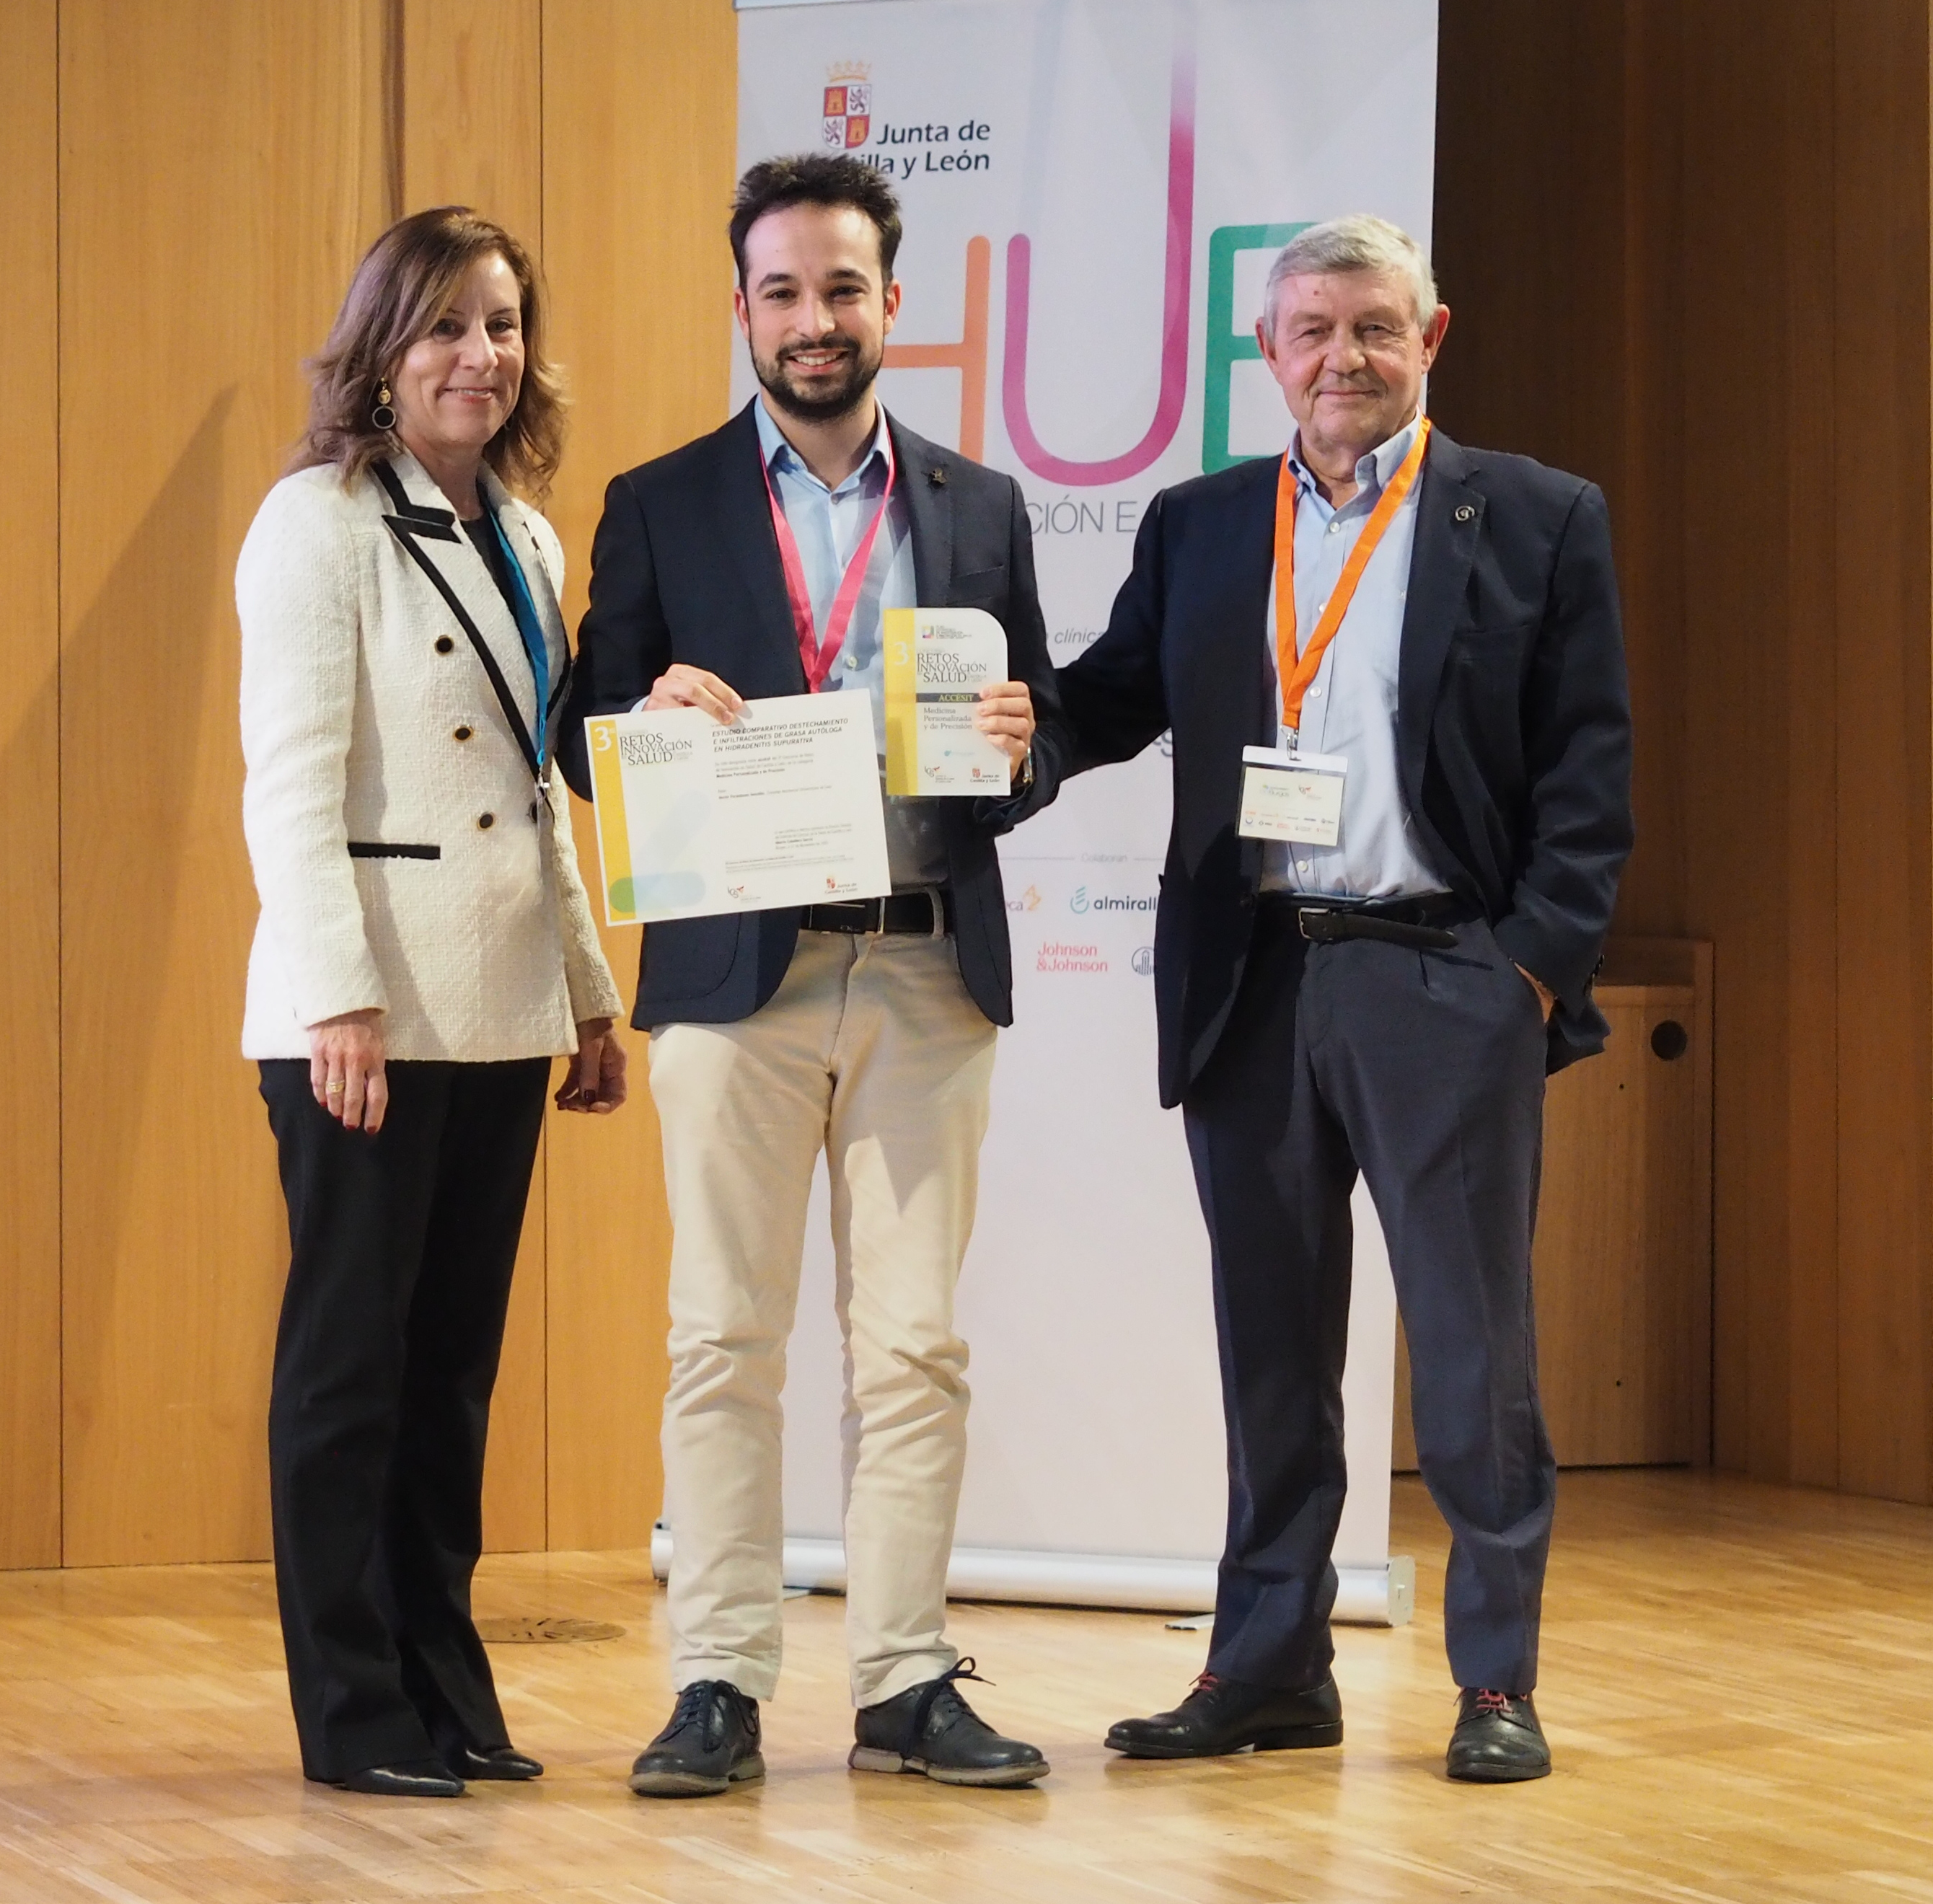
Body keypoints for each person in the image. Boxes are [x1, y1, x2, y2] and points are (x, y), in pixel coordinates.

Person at [1054, 215, 1631, 1784]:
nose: (1341, 358)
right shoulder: (1199, 522)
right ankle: (1267, 1669)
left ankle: (1495, 1684)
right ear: (1267, 352)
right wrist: (978, 736)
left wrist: (1524, 970)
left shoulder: (1537, 517)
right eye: (1310, 330)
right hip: (1252, 980)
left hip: (1439, 977)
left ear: (1429, 338)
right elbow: (1108, 700)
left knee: (1470, 1353)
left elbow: (1589, 774)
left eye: (1373, 326)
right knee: (1269, 1353)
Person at [560, 154, 1062, 1797]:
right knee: (723, 1338)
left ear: (891, 302)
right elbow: (582, 729)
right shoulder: (660, 500)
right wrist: (646, 722)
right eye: (781, 291)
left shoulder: (978, 505)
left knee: (913, 1349)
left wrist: (1025, 743)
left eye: (842, 288)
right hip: (738, 979)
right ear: (742, 309)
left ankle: (904, 1683)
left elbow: (1033, 732)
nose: (813, 319)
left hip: (924, 968)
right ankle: (716, 1680)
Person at [237, 206, 628, 1799]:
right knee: (351, 1369)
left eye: (503, 323)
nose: (482, 354)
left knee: (450, 1374)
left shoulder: (527, 536)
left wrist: (589, 995)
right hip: (368, 1016)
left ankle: (442, 1685)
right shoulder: (316, 521)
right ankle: (353, 1713)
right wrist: (335, 999)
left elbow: (535, 795)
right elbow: (288, 786)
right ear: (383, 352)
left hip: (499, 1005)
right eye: (447, 325)